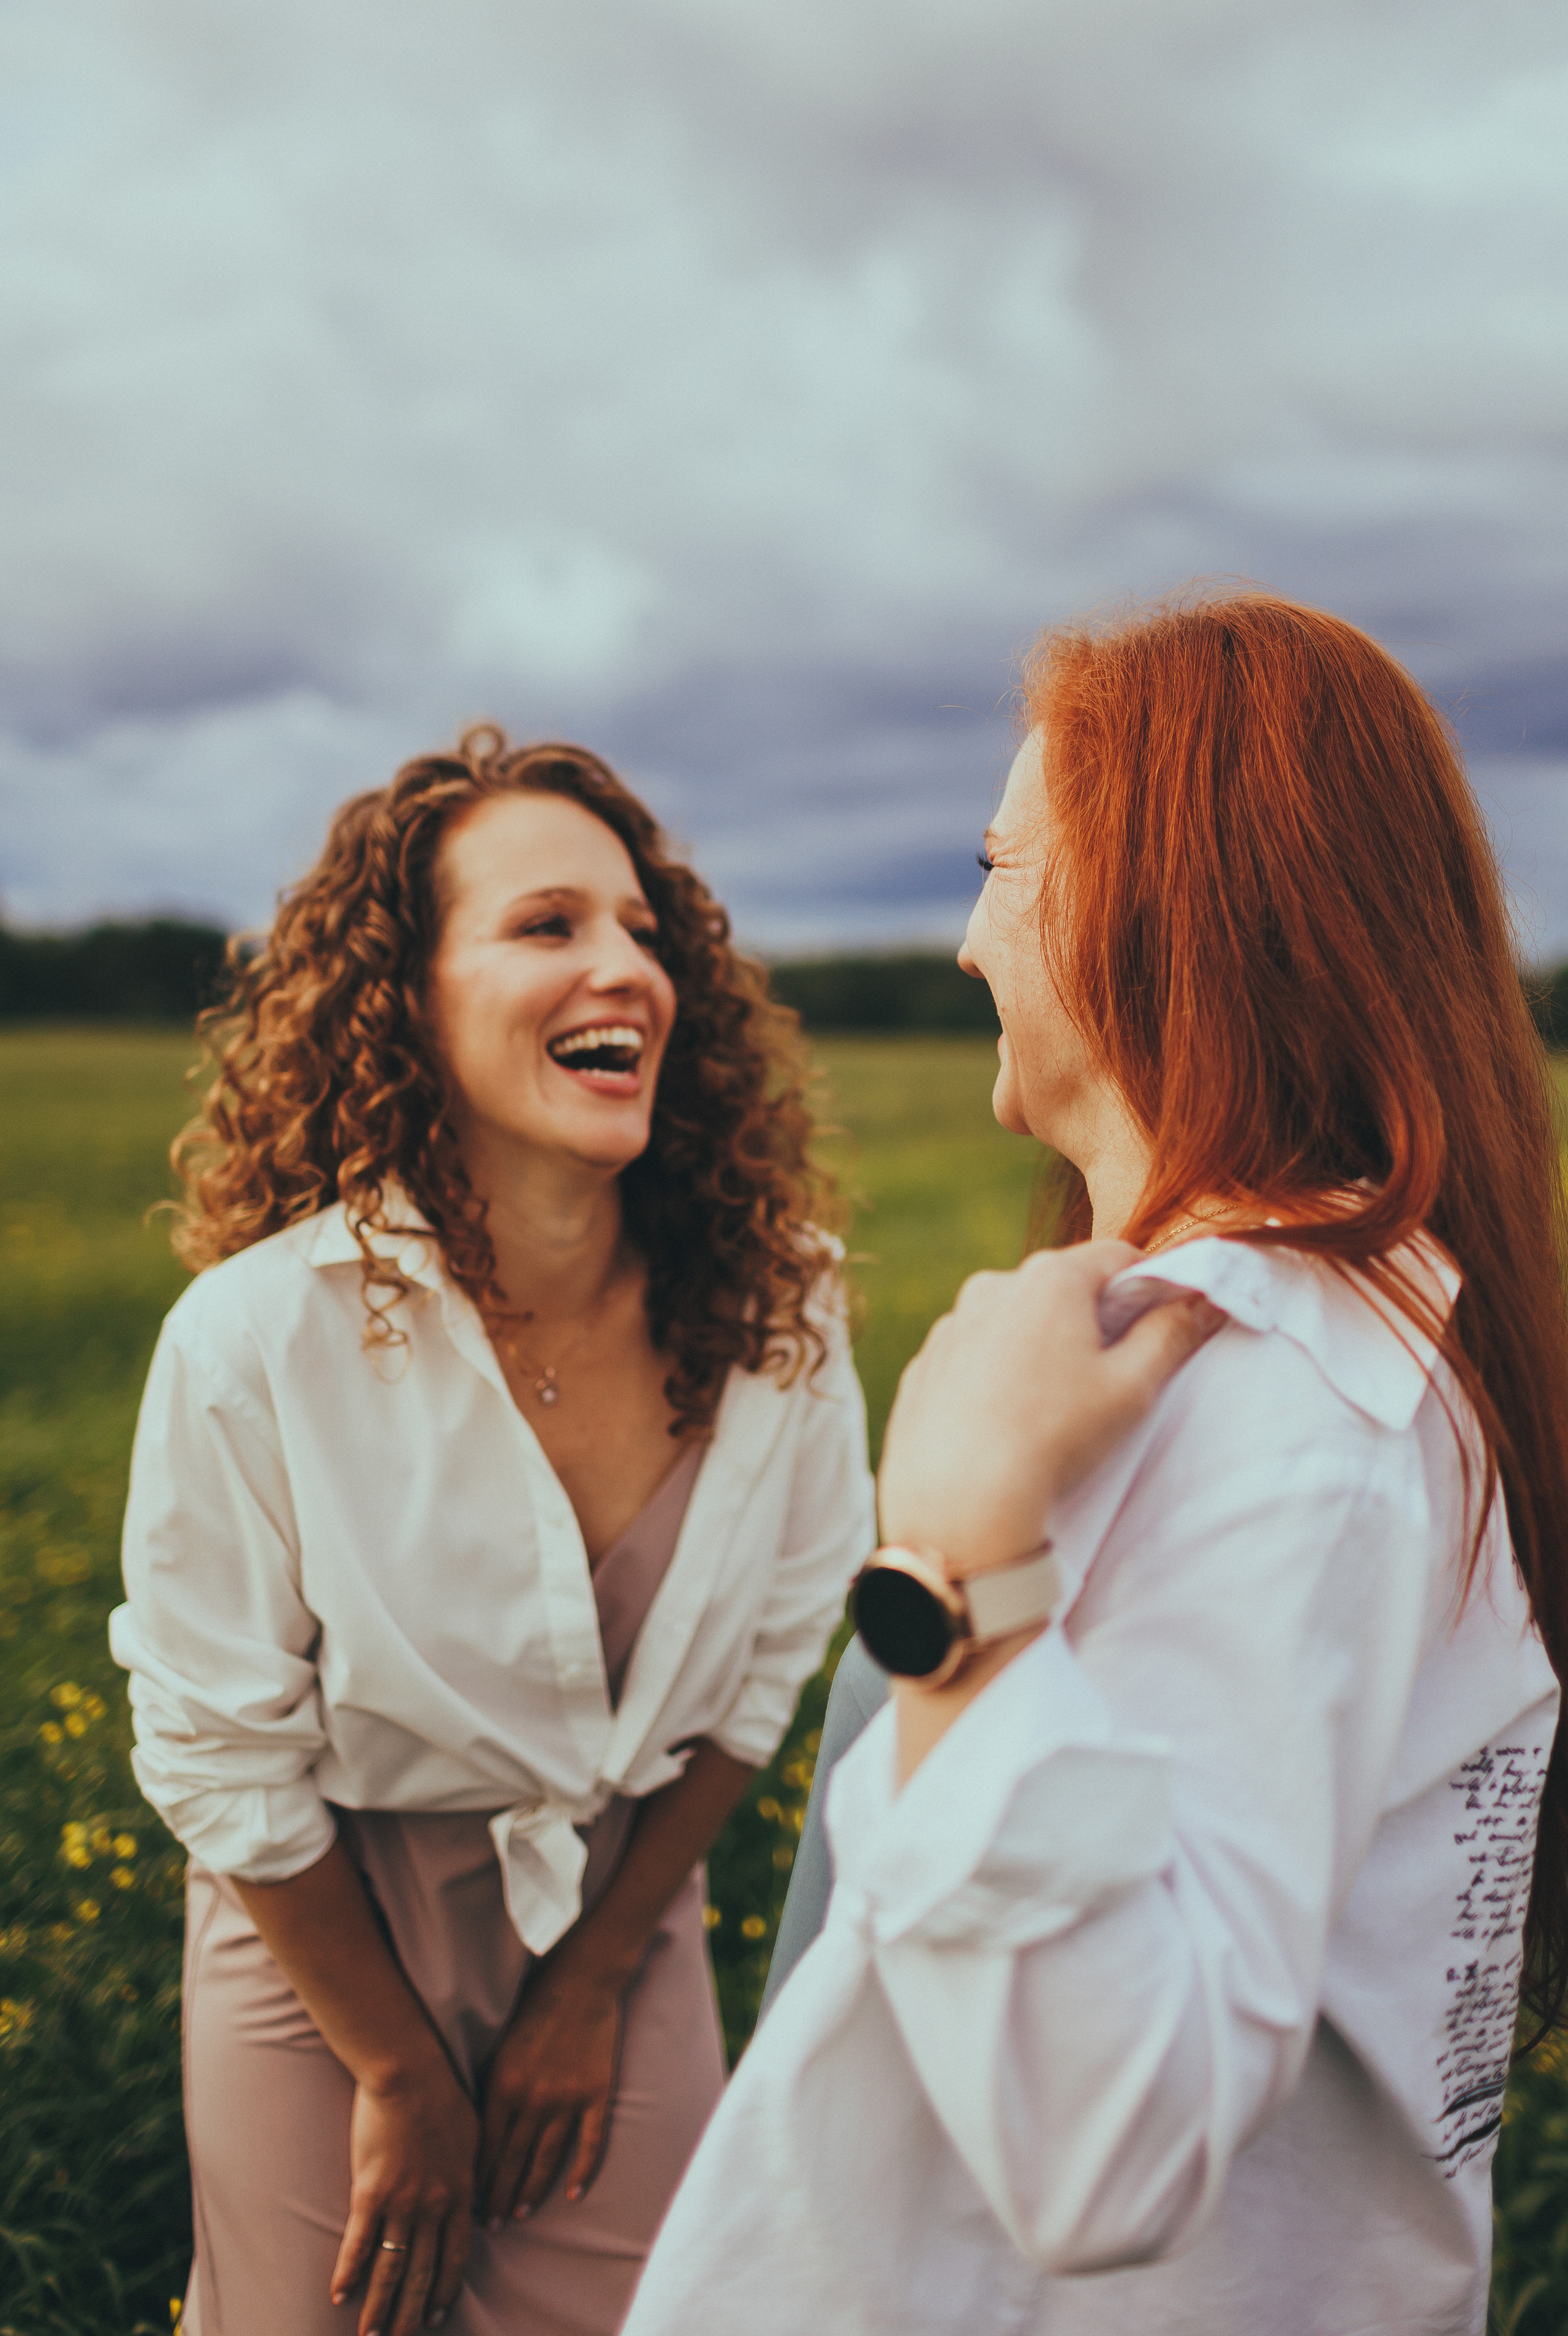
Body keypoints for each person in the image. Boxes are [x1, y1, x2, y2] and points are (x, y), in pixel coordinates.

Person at [624, 592, 1568, 2336]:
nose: (975, 939)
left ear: (1151, 907)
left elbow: (1103, 2155)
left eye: (1000, 862)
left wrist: (960, 1558)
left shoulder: (1270, 1396)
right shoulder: (1347, 1351)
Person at [110, 730, 875, 2336]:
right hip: (322, 1921)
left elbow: (765, 1672)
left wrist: (595, 1980)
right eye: (550, 927)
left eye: (645, 934)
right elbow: (220, 1754)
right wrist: (395, 2068)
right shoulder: (258, 1340)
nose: (627, 970)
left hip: (621, 1920)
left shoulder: (782, 1305)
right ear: (410, 994)